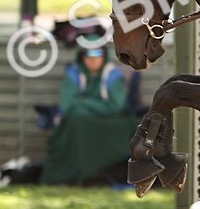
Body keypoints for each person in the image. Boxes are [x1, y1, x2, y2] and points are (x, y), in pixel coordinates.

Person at [40, 44, 138, 185]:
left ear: (104, 56)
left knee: (82, 117)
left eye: (97, 55)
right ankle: (69, 176)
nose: (93, 60)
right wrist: (99, 106)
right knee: (74, 121)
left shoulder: (112, 75)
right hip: (78, 122)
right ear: (81, 57)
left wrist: (84, 102)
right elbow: (67, 105)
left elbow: (116, 107)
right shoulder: (74, 74)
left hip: (110, 123)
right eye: (88, 55)